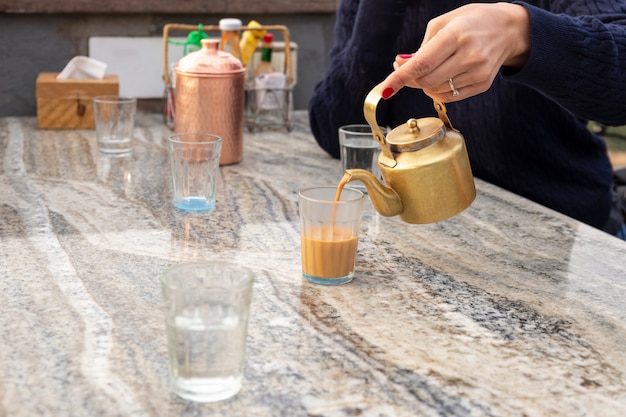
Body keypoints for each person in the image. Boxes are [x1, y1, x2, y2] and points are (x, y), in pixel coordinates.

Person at [308, 0, 626, 240]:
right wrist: (378, 16)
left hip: (563, 231)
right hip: (433, 237)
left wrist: (523, 33)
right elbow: (334, 127)